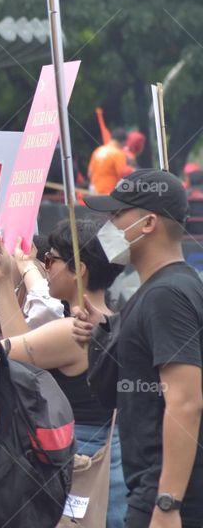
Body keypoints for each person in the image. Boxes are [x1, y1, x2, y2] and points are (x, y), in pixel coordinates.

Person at [75, 170, 203, 528]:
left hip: (165, 498)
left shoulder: (166, 295)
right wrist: (105, 328)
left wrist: (167, 503)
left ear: (148, 223)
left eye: (117, 215)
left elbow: (186, 402)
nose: (108, 225)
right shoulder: (167, 289)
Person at [0, 219, 127, 527]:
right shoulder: (111, 320)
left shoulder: (73, 331)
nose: (46, 267)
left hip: (76, 455)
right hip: (104, 453)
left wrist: (4, 281)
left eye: (51, 259)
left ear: (78, 269)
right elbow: (26, 348)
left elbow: (4, 352)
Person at [88, 128, 131, 194]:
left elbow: (89, 173)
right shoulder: (118, 154)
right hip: (108, 193)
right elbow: (123, 175)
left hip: (93, 192)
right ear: (123, 142)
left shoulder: (98, 150)